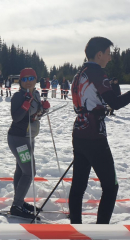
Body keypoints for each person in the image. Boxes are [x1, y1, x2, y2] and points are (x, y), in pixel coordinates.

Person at [69, 37, 130, 224]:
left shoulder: (79, 73)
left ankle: (75, 231)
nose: (110, 58)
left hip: (79, 134)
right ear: (99, 54)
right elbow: (116, 102)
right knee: (111, 187)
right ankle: (100, 232)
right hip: (94, 137)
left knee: (78, 186)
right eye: (109, 53)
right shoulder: (97, 72)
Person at [7, 68, 50, 219]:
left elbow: (35, 116)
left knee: (21, 170)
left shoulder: (36, 94)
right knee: (29, 171)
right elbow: (16, 117)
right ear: (20, 81)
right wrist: (25, 105)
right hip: (18, 139)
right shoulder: (18, 96)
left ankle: (19, 201)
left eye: (31, 78)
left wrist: (43, 110)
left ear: (35, 79)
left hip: (29, 137)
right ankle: (17, 206)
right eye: (24, 79)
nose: (28, 81)